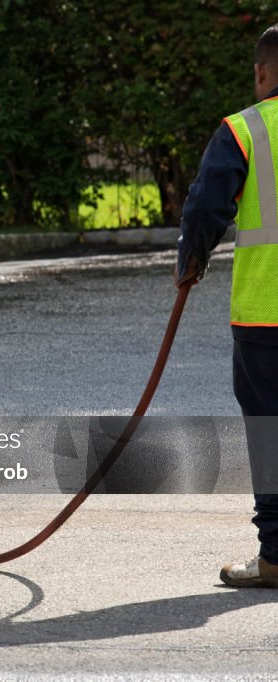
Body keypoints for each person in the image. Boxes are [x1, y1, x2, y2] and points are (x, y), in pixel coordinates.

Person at [176, 24, 278, 588]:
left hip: (267, 315)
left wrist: (190, 261)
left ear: (262, 73)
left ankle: (277, 556)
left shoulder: (247, 130)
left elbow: (205, 206)